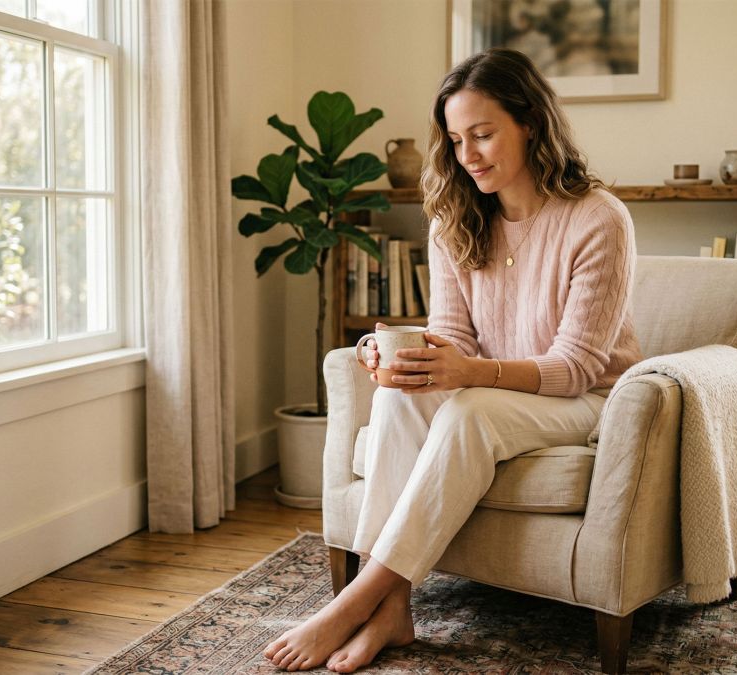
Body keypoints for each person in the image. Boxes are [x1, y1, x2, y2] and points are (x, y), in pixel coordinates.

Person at [262, 47, 643, 673]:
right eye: (457, 139)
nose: (468, 156)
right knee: (398, 396)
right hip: (494, 392)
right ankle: (394, 610)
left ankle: (355, 600)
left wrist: (468, 373)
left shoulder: (598, 218)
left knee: (467, 413)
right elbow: (452, 342)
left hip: (585, 400)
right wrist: (399, 360)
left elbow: (575, 367)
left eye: (484, 134)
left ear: (531, 123)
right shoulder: (453, 219)